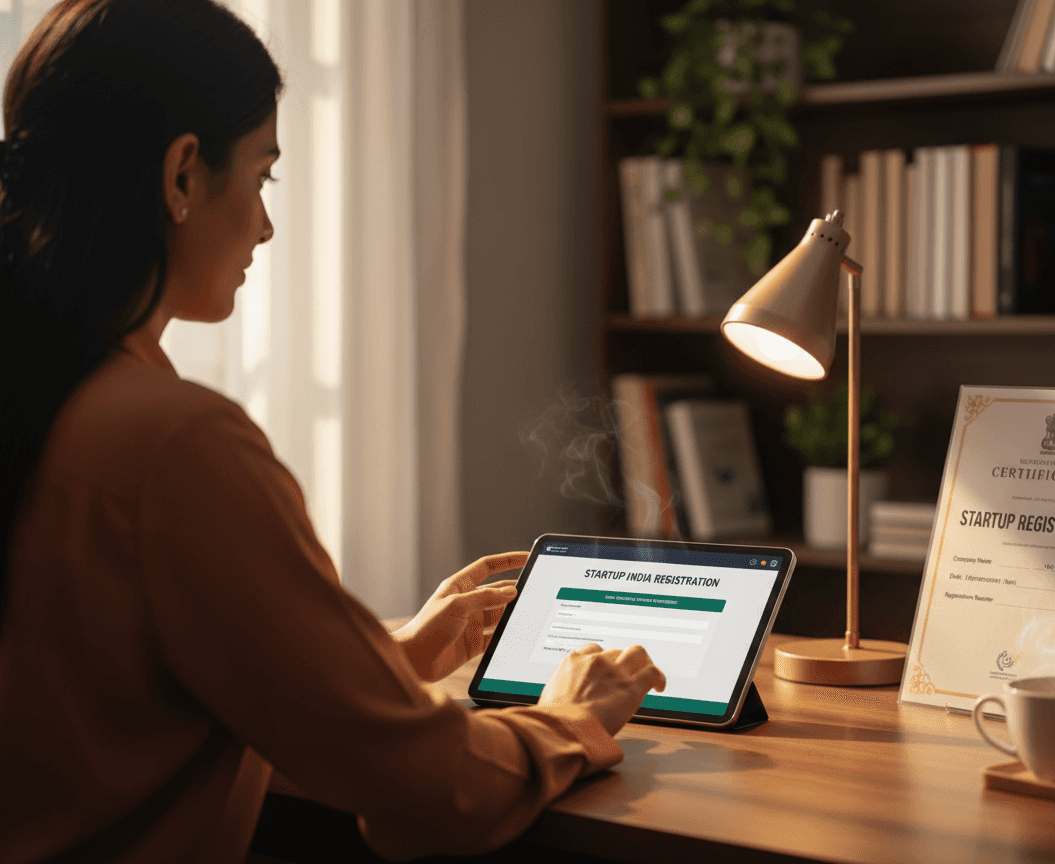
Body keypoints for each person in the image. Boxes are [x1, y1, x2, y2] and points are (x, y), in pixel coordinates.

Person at [0, 2, 666, 862]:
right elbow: (435, 794)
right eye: (263, 177)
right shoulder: (175, 445)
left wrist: (384, 659)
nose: (267, 226)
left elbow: (115, 694)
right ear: (181, 177)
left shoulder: (48, 398)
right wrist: (573, 717)